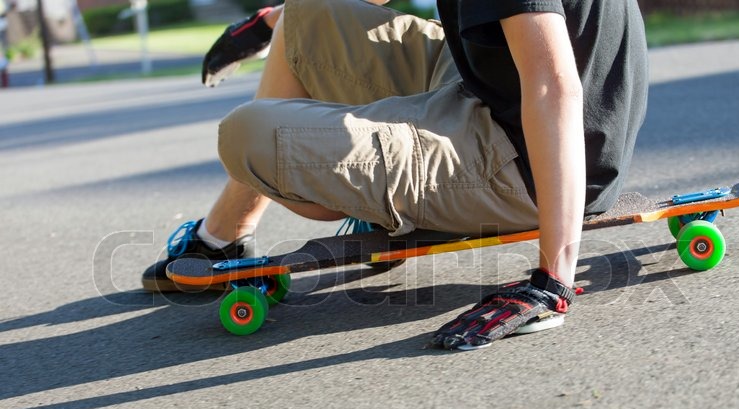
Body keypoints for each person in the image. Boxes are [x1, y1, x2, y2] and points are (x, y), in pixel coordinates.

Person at [142, 0, 648, 350]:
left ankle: (381, 201)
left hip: (528, 161)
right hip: (486, 91)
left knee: (246, 135)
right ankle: (221, 239)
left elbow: (552, 86)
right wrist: (273, 22)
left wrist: (551, 282)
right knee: (306, 14)